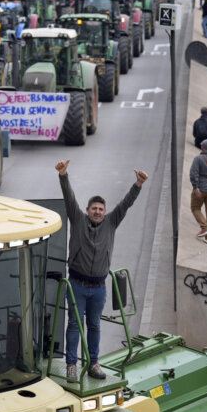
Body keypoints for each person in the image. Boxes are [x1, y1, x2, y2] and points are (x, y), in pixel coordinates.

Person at [56, 159, 147, 379]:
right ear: (87, 210)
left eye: (101, 209)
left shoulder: (111, 222)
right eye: (94, 209)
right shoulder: (77, 219)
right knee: (74, 325)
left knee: (94, 326)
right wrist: (63, 175)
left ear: (105, 212)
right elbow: (69, 197)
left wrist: (138, 185)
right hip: (77, 285)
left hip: (98, 288)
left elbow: (126, 204)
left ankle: (94, 364)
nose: (97, 212)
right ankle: (71, 365)